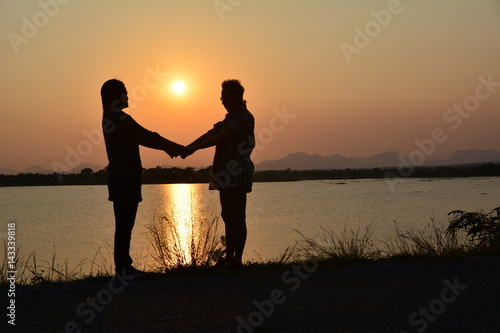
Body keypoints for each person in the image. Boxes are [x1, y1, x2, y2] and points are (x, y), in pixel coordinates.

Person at [101, 79, 183, 280]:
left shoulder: (112, 119)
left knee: (124, 225)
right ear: (116, 96)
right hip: (124, 179)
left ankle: (124, 267)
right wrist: (174, 147)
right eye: (125, 92)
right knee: (124, 225)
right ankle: (123, 269)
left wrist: (169, 147)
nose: (128, 96)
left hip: (122, 178)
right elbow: (147, 136)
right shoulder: (119, 119)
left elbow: (145, 138)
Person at [179, 79, 255, 272]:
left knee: (237, 215)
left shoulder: (244, 118)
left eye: (225, 96)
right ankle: (229, 257)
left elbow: (221, 136)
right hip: (224, 174)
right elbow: (210, 134)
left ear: (237, 97)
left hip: (237, 172)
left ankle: (237, 260)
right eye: (221, 97)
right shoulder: (228, 119)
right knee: (227, 215)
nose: (222, 100)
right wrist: (189, 147)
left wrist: (193, 148)